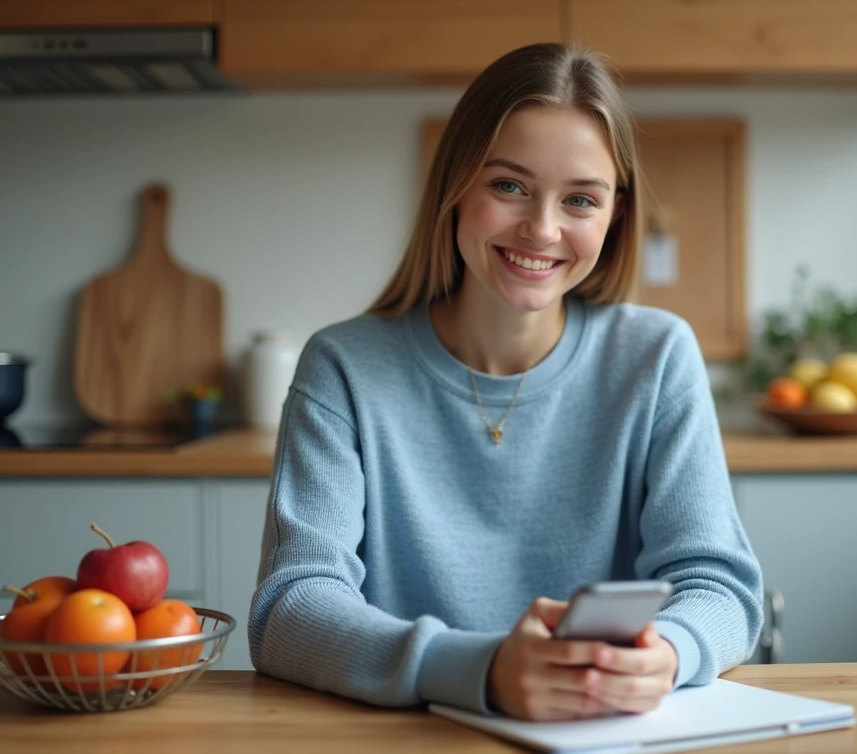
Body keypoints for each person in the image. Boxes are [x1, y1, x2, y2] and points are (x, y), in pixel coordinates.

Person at [248, 42, 763, 721]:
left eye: (580, 199)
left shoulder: (657, 355)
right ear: (456, 185)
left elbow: (718, 586)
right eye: (509, 186)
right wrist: (480, 671)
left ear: (615, 217)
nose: (542, 229)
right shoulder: (344, 367)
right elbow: (291, 607)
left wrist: (665, 652)